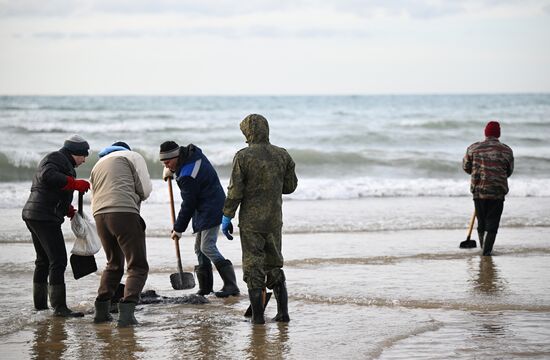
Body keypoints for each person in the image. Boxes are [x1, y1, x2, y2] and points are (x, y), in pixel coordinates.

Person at [222, 114, 298, 324]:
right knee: (274, 264)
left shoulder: (243, 156)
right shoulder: (282, 155)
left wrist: (227, 215)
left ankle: (257, 318)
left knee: (253, 267)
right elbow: (290, 187)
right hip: (274, 220)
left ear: (248, 132)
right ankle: (283, 314)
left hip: (251, 223)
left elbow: (235, 191)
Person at [159, 141, 240, 298]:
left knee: (207, 247)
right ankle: (205, 288)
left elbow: (188, 204)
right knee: (199, 248)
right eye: (164, 164)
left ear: (176, 156)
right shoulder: (192, 156)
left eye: (168, 162)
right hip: (206, 204)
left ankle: (231, 286)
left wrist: (178, 228)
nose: (167, 166)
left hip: (211, 208)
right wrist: (174, 171)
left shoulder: (188, 174)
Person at [22, 134, 90, 317]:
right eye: (84, 155)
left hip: (36, 214)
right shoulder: (55, 158)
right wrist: (75, 183)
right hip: (44, 216)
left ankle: (40, 307)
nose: (84, 160)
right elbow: (47, 176)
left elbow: (50, 189)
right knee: (58, 260)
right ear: (75, 152)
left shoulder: (62, 162)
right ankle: (59, 308)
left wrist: (67, 209)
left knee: (43, 261)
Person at [90, 141, 152, 326]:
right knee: (137, 266)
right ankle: (126, 315)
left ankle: (101, 312)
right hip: (124, 213)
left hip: (99, 215)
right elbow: (145, 190)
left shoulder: (97, 164)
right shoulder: (132, 156)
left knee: (113, 263)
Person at [463, 121, 514, 256]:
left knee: (482, 222)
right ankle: (486, 252)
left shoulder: (473, 148)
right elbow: (509, 171)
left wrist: (478, 173)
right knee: (492, 223)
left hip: (479, 191)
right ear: (498, 134)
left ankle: (483, 250)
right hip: (497, 191)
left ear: (485, 133)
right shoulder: (507, 150)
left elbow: (466, 167)